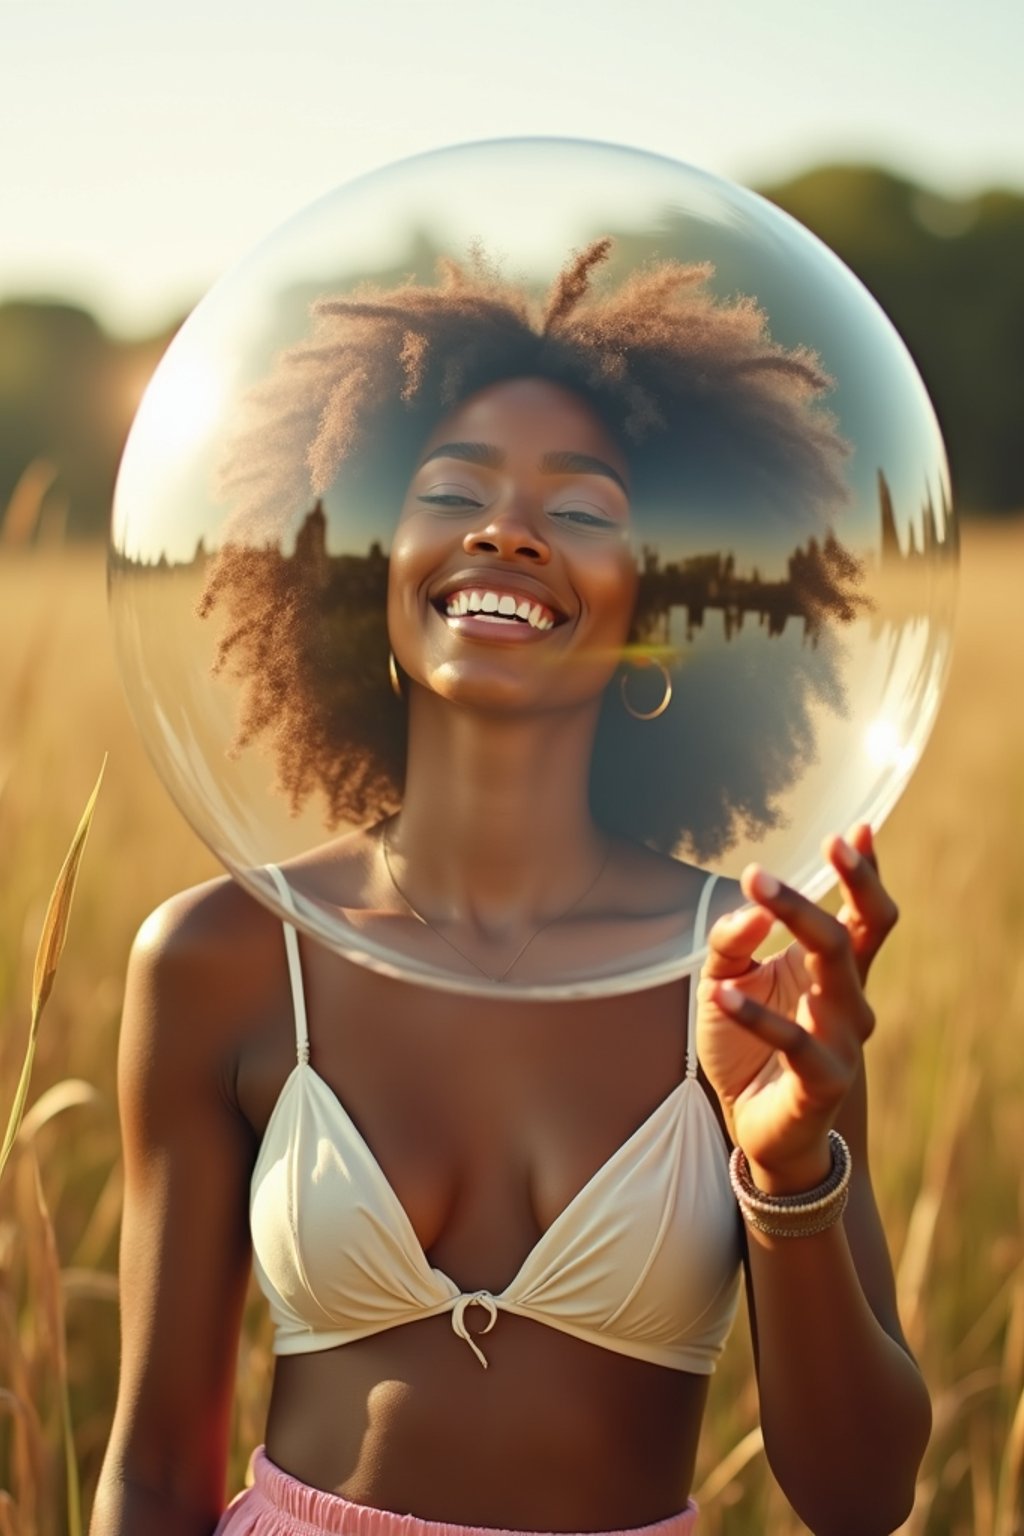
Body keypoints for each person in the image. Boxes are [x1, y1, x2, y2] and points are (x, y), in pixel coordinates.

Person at [91, 243, 931, 1536]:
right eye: (454, 492)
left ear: (657, 606)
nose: (507, 529)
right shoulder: (224, 957)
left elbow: (863, 1498)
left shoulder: (752, 966)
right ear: (364, 568)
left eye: (583, 510)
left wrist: (787, 1172)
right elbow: (151, 1473)